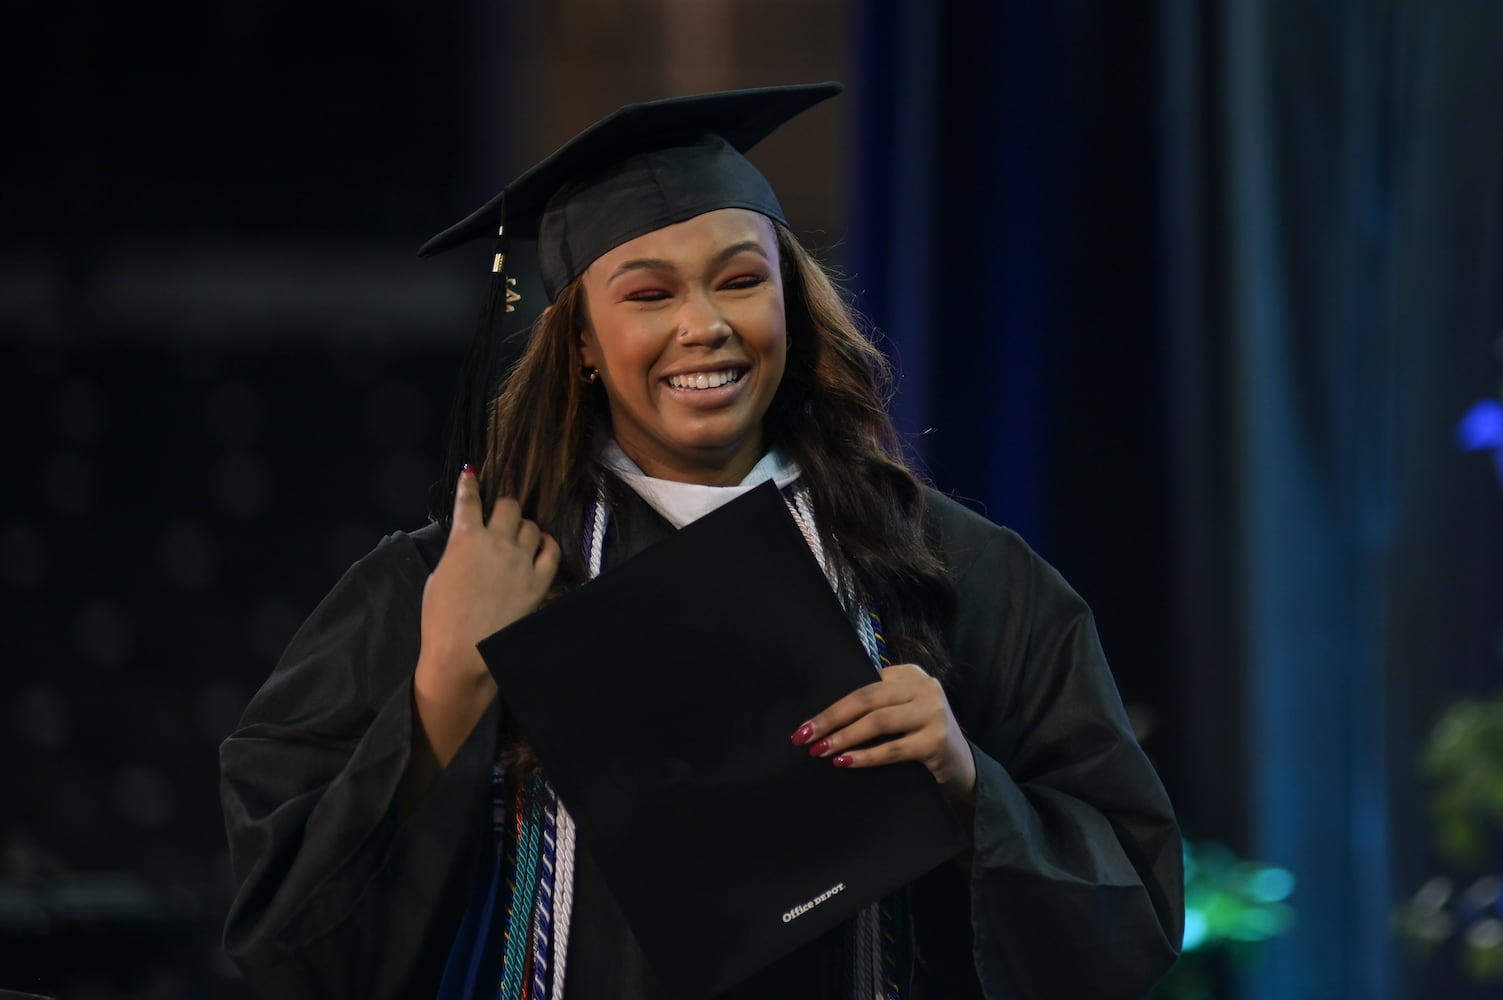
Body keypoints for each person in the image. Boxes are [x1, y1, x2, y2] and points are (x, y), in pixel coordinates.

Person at [219, 82, 1183, 999]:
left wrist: (972, 790)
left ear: (792, 309)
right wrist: (441, 693)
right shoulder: (444, 585)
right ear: (582, 342)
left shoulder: (960, 576)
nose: (705, 325)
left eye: (739, 280)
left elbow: (1131, 922)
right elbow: (288, 948)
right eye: (648, 294)